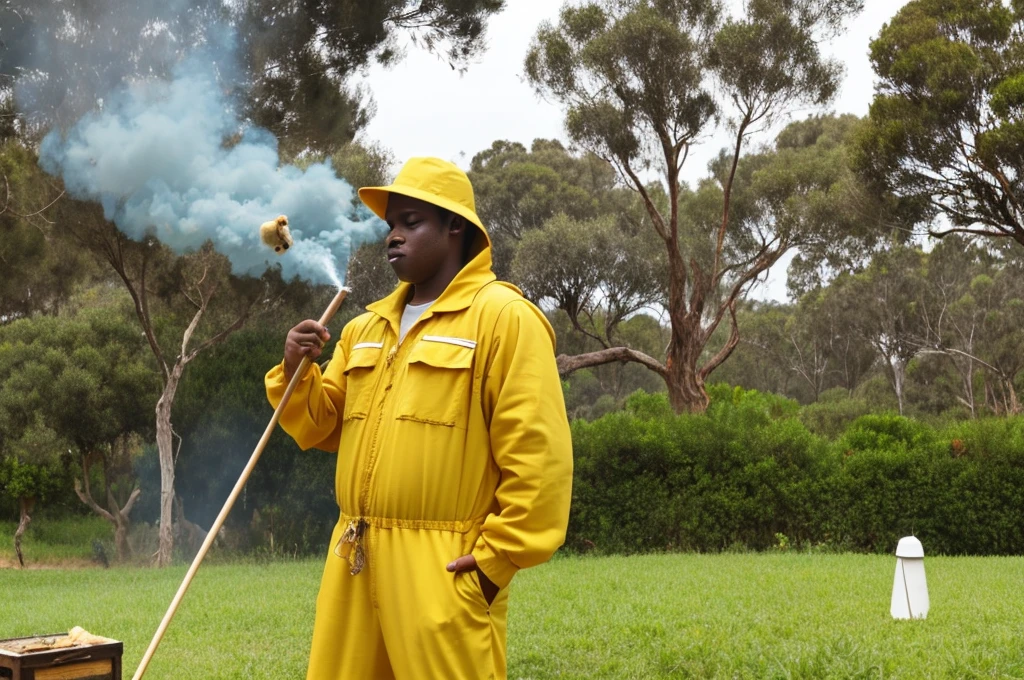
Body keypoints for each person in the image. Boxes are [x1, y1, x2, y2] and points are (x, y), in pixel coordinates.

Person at [265, 157, 573, 679]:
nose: (394, 238)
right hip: (352, 560)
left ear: (456, 226)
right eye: (391, 226)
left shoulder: (503, 318)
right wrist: (297, 368)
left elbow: (539, 461)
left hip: (443, 570)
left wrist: (495, 566)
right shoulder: (366, 328)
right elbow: (322, 425)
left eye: (411, 223)